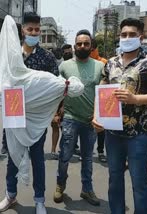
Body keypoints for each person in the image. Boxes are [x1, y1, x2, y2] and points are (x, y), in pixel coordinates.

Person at [92, 18, 147, 214]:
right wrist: (97, 115)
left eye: (131, 34)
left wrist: (136, 99)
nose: (127, 38)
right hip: (113, 133)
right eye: (123, 34)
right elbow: (102, 89)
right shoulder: (111, 62)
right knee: (114, 179)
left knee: (139, 182)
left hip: (138, 133)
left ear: (140, 37)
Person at [0, 12, 58, 214]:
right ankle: (10, 195)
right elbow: (0, 80)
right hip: (14, 115)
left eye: (37, 30)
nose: (33, 33)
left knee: (37, 160)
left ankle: (39, 200)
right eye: (30, 29)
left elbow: (56, 86)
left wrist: (55, 112)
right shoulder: (11, 56)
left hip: (37, 119)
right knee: (13, 158)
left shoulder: (47, 58)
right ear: (22, 31)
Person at [53, 30, 103, 206]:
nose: (82, 46)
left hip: (90, 120)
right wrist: (56, 113)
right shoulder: (64, 66)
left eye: (86, 43)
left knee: (88, 158)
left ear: (91, 46)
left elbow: (102, 94)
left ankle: (87, 189)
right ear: (74, 46)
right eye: (79, 43)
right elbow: (57, 92)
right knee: (65, 155)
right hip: (70, 118)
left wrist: (99, 116)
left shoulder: (99, 67)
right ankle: (60, 185)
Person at [89, 38, 108, 163]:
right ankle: (88, 151)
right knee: (89, 131)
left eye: (92, 49)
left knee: (101, 130)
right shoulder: (85, 62)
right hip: (88, 102)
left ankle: (100, 151)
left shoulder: (104, 63)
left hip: (101, 102)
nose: (91, 51)